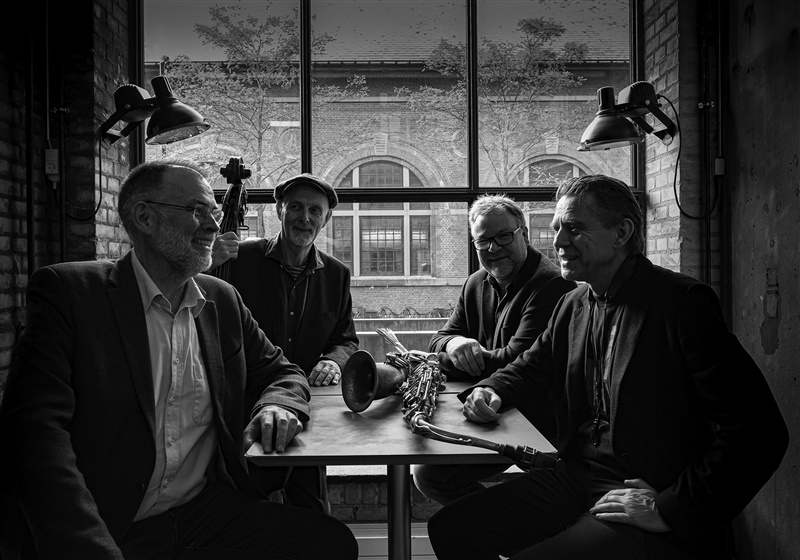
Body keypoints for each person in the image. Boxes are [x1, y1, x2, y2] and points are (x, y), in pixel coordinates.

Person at [0, 160, 358, 560]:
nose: (213, 226)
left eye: (214, 213)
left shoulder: (221, 298)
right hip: (111, 519)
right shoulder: (70, 292)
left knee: (331, 543)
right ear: (145, 218)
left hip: (200, 508)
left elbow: (283, 371)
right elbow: (35, 436)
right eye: (197, 211)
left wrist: (278, 403)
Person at [427, 175, 788, 560]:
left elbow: (759, 430)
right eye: (556, 228)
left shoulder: (682, 303)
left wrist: (670, 507)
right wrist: (491, 389)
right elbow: (530, 366)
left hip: (644, 490)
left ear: (622, 233)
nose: (558, 241)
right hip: (576, 476)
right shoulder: (572, 304)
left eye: (574, 228)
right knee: (451, 530)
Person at [210, 172, 358, 513]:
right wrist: (208, 261)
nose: (304, 218)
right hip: (245, 403)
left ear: (325, 219)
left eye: (314, 211)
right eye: (295, 207)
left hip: (304, 407)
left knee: (312, 507)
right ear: (279, 210)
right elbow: (200, 304)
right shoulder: (239, 258)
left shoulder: (336, 274)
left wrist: (334, 360)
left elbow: (346, 339)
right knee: (246, 507)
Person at [413, 194, 575, 505]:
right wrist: (454, 343)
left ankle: (498, 528)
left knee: (432, 475)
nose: (493, 248)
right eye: (483, 241)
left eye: (503, 237)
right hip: (493, 410)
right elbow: (439, 339)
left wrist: (445, 358)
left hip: (537, 422)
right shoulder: (475, 283)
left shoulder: (553, 286)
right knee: (428, 473)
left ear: (523, 234)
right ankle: (498, 529)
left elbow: (514, 362)